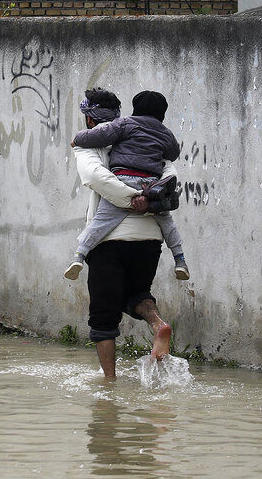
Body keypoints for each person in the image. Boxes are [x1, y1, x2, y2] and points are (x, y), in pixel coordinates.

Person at [69, 87, 177, 376]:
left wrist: (132, 200)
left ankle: (109, 388)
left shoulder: (89, 144)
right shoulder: (151, 137)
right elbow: (169, 174)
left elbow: (96, 177)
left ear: (89, 120)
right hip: (150, 237)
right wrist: (149, 199)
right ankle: (157, 324)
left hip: (109, 239)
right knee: (138, 294)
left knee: (104, 316)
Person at [65, 90, 190, 281]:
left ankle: (79, 256)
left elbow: (100, 139)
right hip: (151, 185)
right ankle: (180, 260)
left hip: (123, 178)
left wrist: (78, 139)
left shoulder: (125, 124)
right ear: (163, 114)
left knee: (100, 221)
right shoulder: (165, 134)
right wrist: (146, 200)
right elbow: (172, 155)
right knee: (167, 222)